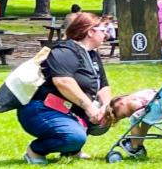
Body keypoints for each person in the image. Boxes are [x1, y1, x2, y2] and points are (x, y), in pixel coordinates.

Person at [18, 12, 113, 164]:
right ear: (90, 32)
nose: (106, 34)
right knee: (74, 137)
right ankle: (35, 151)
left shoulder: (92, 54)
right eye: (103, 30)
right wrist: (90, 108)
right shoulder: (64, 51)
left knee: (103, 122)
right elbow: (63, 82)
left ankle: (71, 150)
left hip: (69, 109)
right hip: (42, 109)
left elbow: (103, 85)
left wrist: (106, 107)